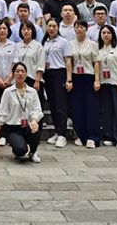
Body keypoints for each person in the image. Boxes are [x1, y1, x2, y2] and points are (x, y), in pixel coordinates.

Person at [0, 62, 44, 163]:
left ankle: (33, 152)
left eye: (23, 71)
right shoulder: (8, 92)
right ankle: (17, 150)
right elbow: (2, 111)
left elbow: (37, 109)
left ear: (26, 74)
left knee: (36, 129)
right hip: (13, 128)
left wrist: (34, 120)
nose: (20, 74)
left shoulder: (32, 91)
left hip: (29, 125)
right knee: (20, 150)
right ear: (13, 74)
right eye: (17, 71)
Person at [68, 20, 101, 148]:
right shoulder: (70, 44)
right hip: (76, 77)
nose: (79, 29)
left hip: (89, 76)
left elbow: (96, 62)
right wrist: (69, 80)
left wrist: (97, 80)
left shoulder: (93, 44)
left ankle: (92, 137)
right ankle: (81, 136)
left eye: (82, 27)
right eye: (77, 27)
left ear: (86, 29)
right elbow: (69, 62)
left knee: (91, 107)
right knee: (77, 108)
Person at [97, 24, 117, 149]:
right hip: (104, 83)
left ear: (113, 35)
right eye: (103, 33)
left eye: (108, 33)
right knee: (106, 112)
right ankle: (108, 136)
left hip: (116, 83)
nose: (106, 35)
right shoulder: (98, 49)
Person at [42, 19, 72, 149]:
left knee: (61, 105)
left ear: (58, 28)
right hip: (48, 74)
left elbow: (68, 61)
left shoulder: (63, 42)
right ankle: (57, 131)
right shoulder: (45, 42)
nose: (51, 28)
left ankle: (62, 134)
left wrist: (69, 79)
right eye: (49, 26)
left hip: (60, 73)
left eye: (54, 26)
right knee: (53, 104)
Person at [13, 21, 45, 97]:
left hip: (34, 79)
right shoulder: (17, 46)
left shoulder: (38, 46)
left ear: (32, 31)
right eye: (23, 29)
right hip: (20, 79)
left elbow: (41, 65)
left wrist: (37, 81)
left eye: (28, 29)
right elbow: (15, 63)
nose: (26, 31)